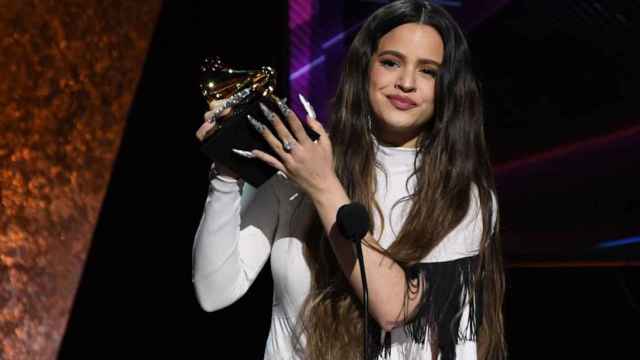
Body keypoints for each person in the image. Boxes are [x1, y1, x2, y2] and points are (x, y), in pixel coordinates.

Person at [192, 0, 506, 359]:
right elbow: (215, 291)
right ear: (365, 67)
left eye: (428, 71)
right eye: (391, 62)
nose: (405, 83)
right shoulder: (299, 164)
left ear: (449, 87)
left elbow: (394, 308)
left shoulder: (461, 197)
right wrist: (227, 171)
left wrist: (322, 184)